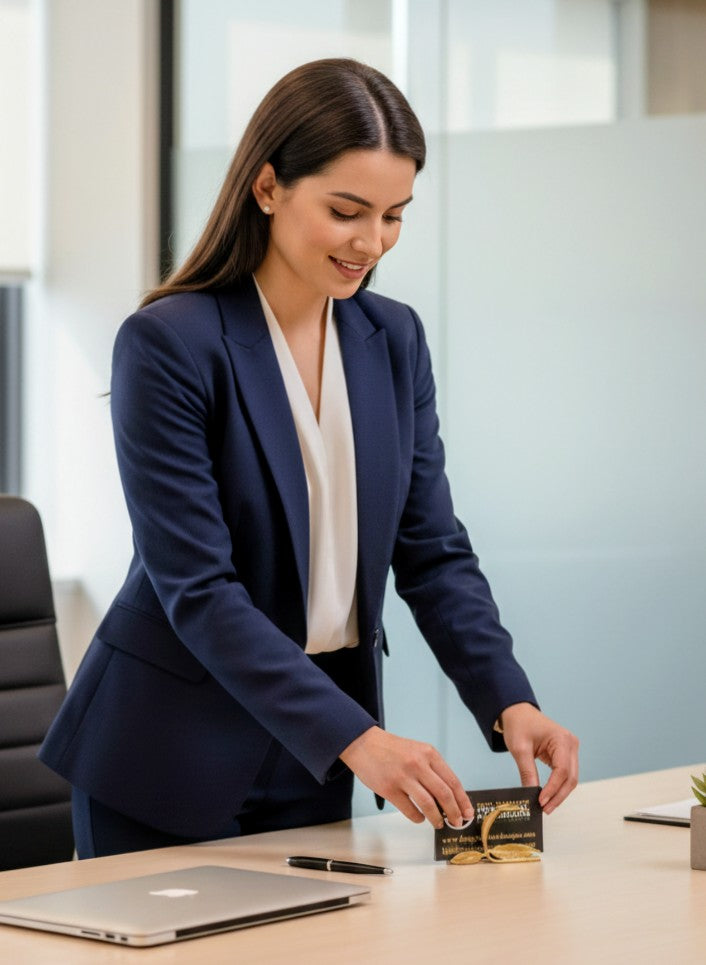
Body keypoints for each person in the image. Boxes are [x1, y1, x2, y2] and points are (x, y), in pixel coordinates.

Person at [40, 58, 578, 859]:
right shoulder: (169, 345)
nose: (372, 242)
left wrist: (509, 702)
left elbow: (432, 554)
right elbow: (200, 591)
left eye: (394, 215)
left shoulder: (391, 339)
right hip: (166, 756)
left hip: (312, 753)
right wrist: (359, 736)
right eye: (347, 210)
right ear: (267, 188)